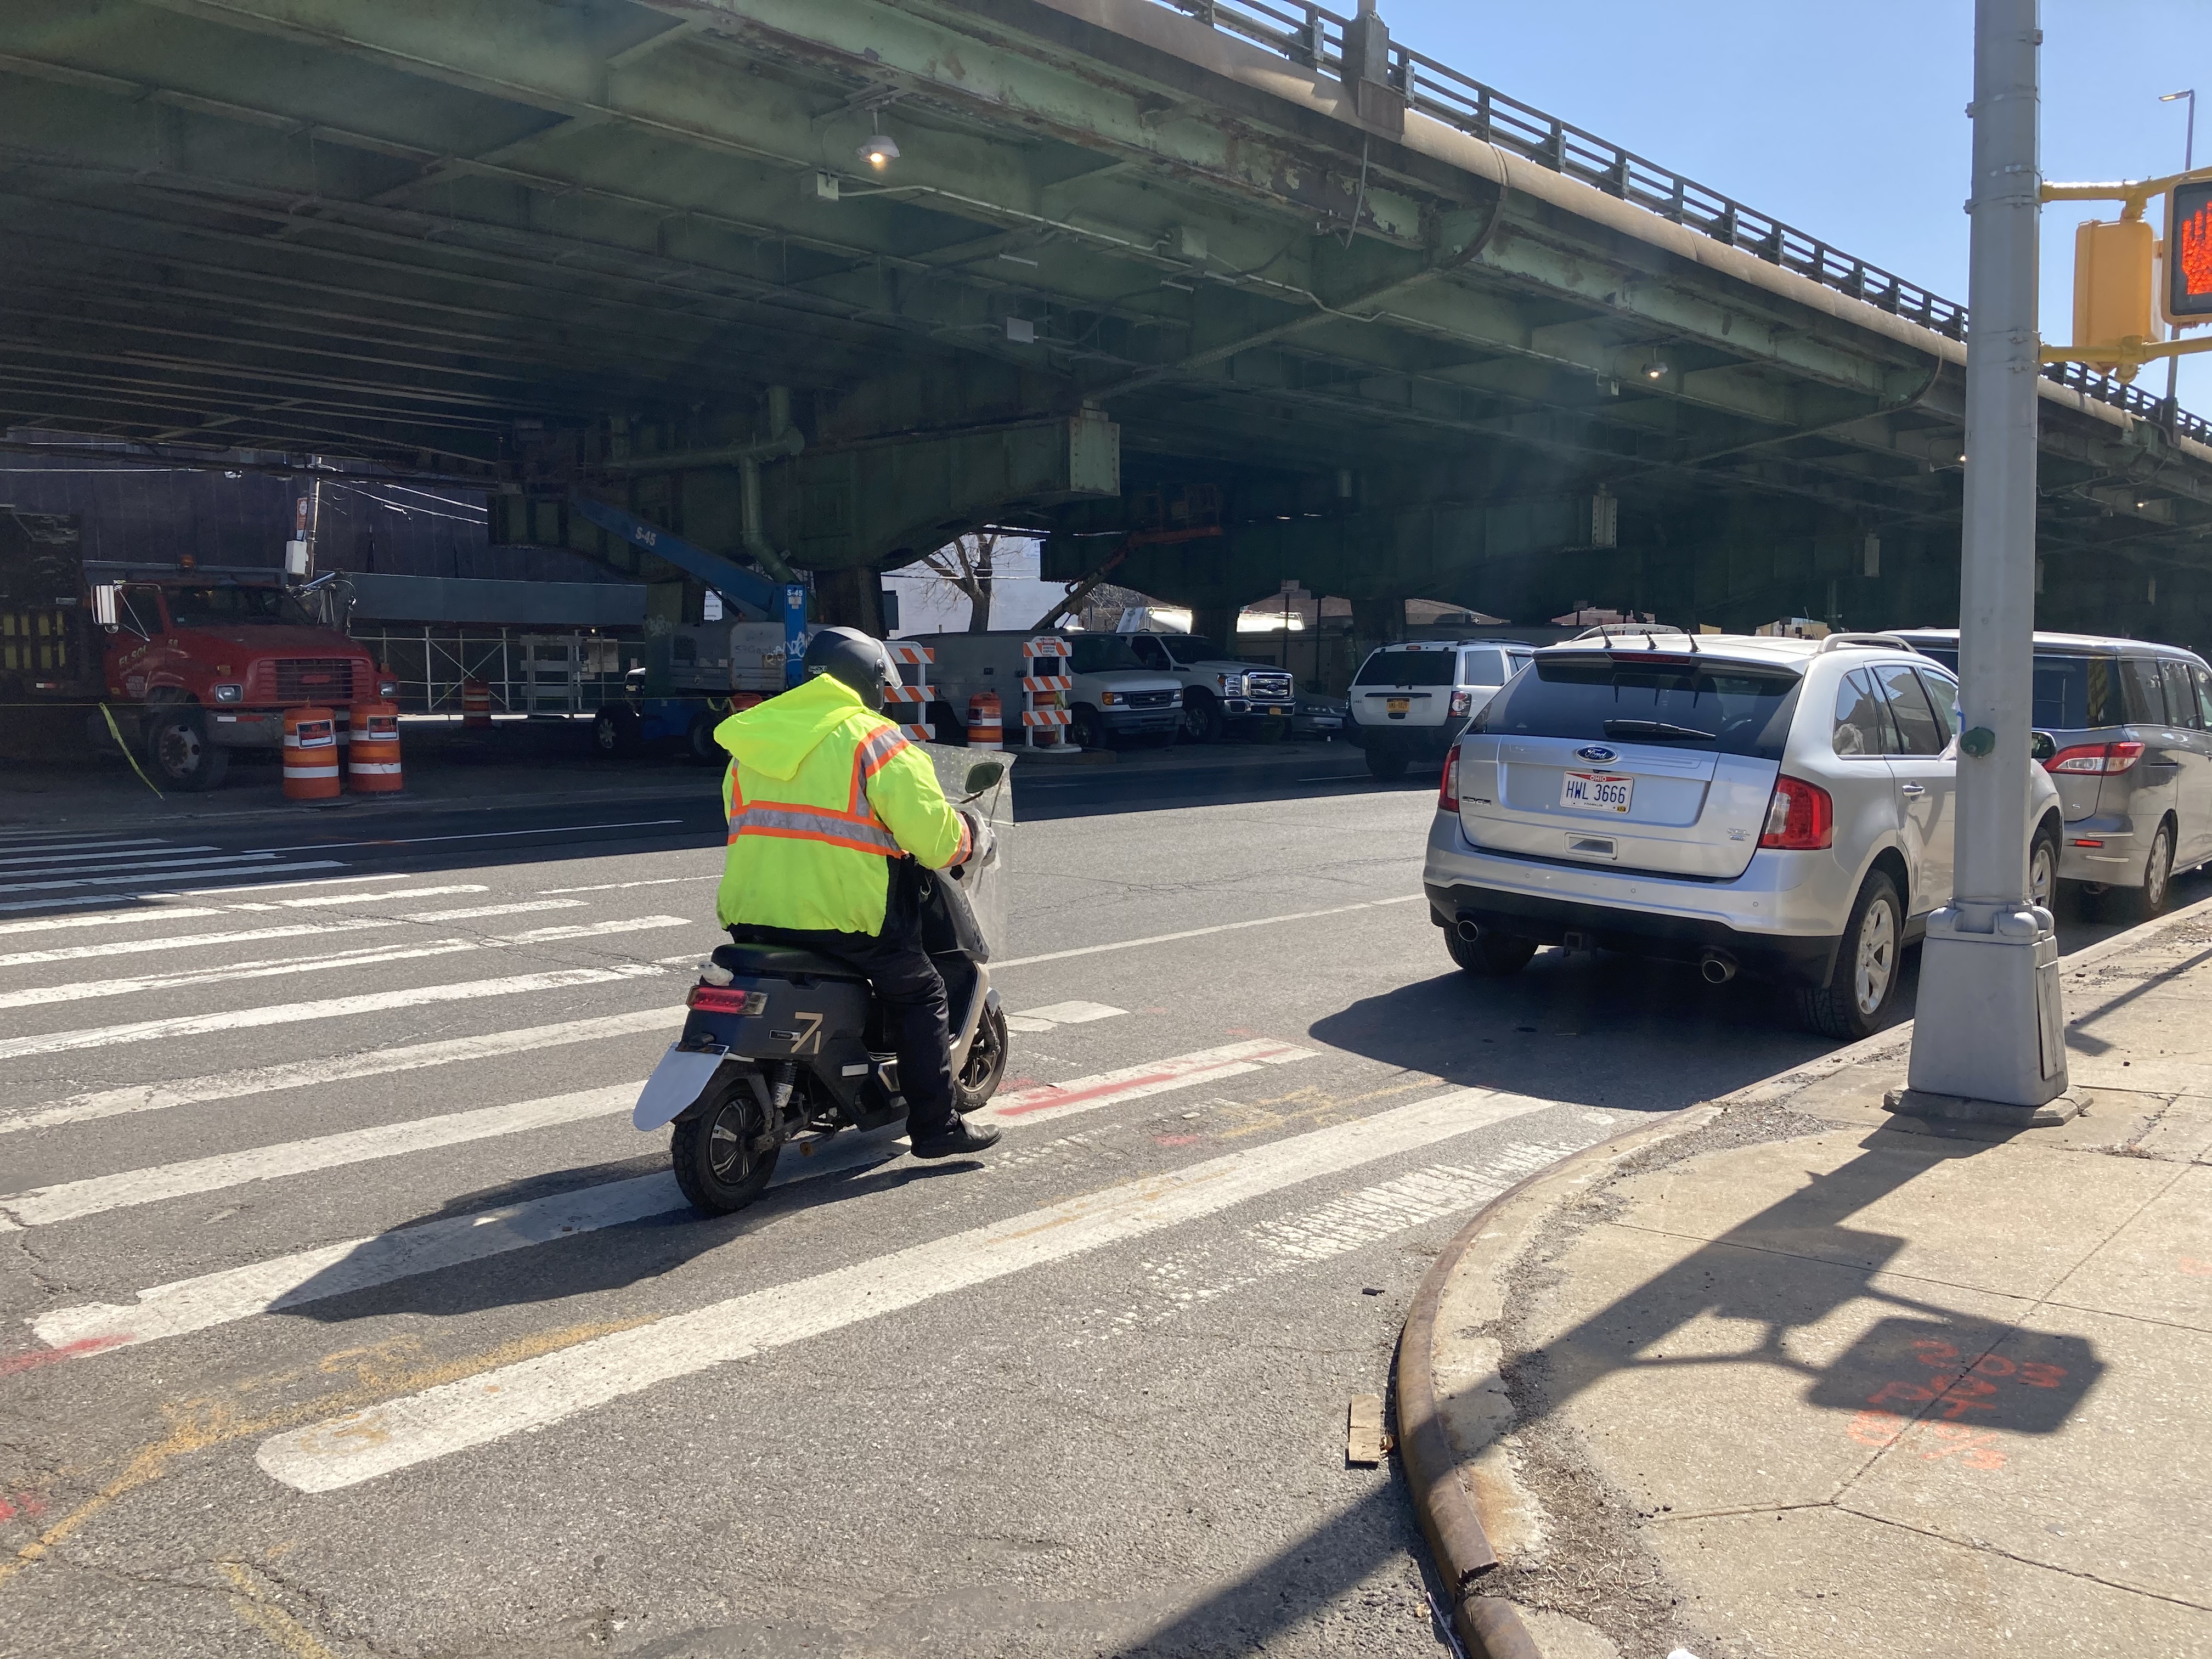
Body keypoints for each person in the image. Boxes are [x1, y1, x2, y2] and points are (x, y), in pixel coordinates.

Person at [711, 627, 1001, 1159]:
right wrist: (974, 838)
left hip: (753, 915)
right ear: (870, 680)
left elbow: (741, 820)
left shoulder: (751, 741)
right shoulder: (875, 740)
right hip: (845, 918)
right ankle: (936, 1126)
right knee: (921, 993)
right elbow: (932, 838)